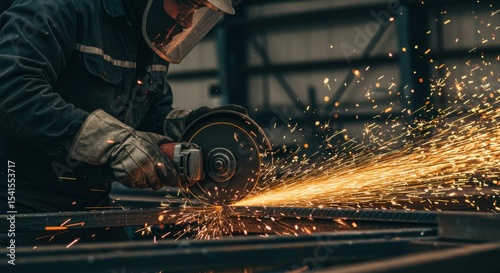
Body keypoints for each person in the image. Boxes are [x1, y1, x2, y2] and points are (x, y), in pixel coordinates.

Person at [0, 0, 238, 243]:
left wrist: (195, 127)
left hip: (90, 204)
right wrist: (112, 142)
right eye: (185, 4)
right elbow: (12, 87)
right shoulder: (60, 7)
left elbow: (144, 119)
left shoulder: (151, 36)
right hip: (17, 204)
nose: (187, 20)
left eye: (196, 10)